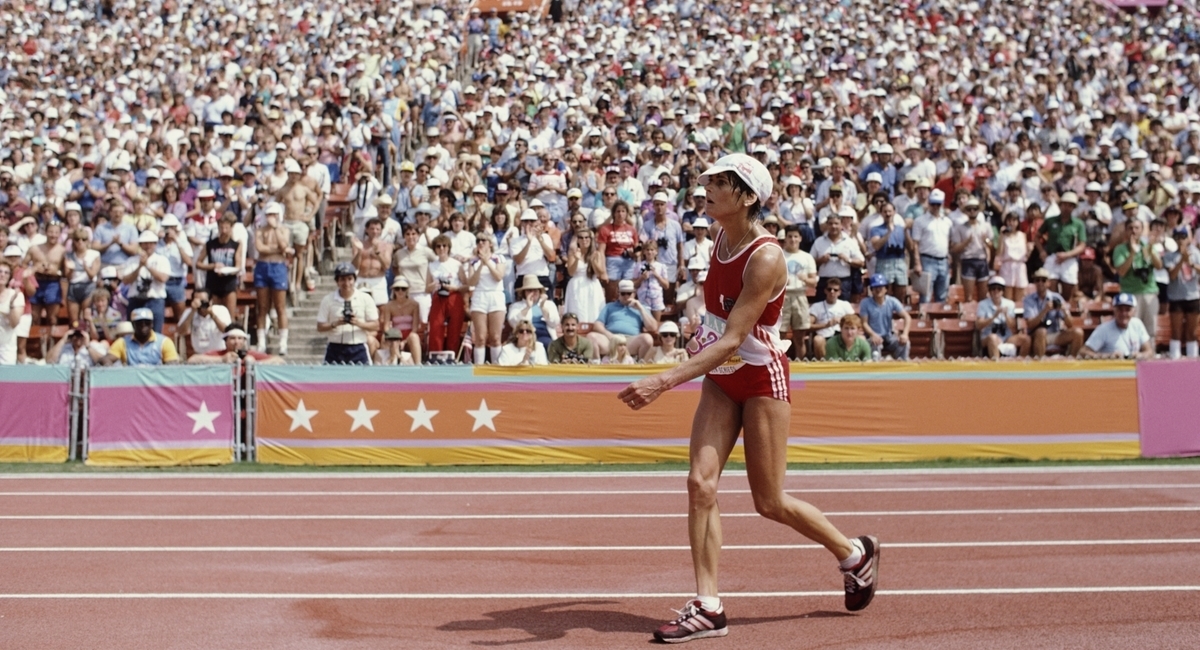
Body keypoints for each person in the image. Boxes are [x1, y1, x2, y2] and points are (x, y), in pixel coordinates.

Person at [618, 154, 877, 644]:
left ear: (748, 197)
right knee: (700, 483)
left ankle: (854, 554)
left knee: (769, 501)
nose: (709, 189)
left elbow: (735, 339)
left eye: (722, 183)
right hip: (722, 376)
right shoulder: (719, 236)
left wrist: (663, 380)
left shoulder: (766, 257)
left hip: (759, 379)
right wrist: (699, 334)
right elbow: (719, 323)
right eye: (709, 180)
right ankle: (708, 606)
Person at [316, 263, 380, 365]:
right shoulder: (328, 300)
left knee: (364, 375)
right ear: (337, 281)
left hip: (358, 347)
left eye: (350, 279)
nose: (346, 283)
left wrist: (358, 323)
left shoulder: (365, 298)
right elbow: (320, 327)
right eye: (342, 279)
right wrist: (336, 324)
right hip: (334, 347)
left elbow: (376, 325)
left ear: (354, 280)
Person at [462, 234, 508, 364]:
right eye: (478, 241)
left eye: (484, 240)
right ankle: (479, 367)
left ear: (490, 243)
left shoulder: (499, 258)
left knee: (495, 337)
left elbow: (498, 276)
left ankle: (496, 367)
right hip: (479, 296)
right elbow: (471, 282)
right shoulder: (473, 262)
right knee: (480, 337)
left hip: (495, 295)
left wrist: (487, 262)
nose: (481, 243)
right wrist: (481, 265)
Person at [253, 204, 293, 355]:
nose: (271, 217)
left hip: (278, 267)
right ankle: (261, 342)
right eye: (269, 214)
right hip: (263, 266)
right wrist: (279, 250)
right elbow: (260, 248)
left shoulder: (284, 230)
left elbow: (284, 245)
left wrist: (276, 229)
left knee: (280, 307)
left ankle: (283, 343)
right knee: (262, 307)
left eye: (274, 214)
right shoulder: (260, 230)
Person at [587, 279, 658, 360]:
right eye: (623, 293)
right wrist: (610, 336)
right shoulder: (609, 306)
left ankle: (640, 365)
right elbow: (597, 325)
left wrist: (640, 309)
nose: (626, 296)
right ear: (618, 293)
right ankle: (596, 363)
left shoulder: (641, 308)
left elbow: (653, 327)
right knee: (591, 337)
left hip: (630, 340)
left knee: (647, 339)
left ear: (634, 293)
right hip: (611, 339)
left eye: (629, 293)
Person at [1023, 268, 1084, 358]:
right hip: (1036, 335)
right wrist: (1044, 311)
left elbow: (1070, 325)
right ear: (1034, 282)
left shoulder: (1056, 297)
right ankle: (1040, 363)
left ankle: (1071, 362)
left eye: (1043, 280)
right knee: (1041, 331)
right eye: (1037, 280)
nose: (1040, 283)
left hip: (1055, 334)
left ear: (1048, 283)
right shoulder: (1029, 299)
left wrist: (1064, 311)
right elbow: (1030, 324)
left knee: (1078, 333)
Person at [120, 230, 171, 334]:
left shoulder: (162, 260)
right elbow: (125, 280)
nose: (148, 246)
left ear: (155, 244)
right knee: (133, 332)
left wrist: (147, 265)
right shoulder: (131, 261)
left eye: (151, 243)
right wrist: (139, 266)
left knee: (156, 332)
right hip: (135, 300)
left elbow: (163, 278)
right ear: (140, 245)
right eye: (145, 243)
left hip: (155, 300)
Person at [196, 212, 245, 320]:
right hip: (213, 283)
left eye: (226, 228)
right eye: (222, 228)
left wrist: (226, 271)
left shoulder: (235, 245)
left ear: (231, 228)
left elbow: (238, 266)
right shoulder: (210, 244)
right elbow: (198, 263)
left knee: (229, 317)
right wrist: (213, 266)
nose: (224, 231)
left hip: (229, 283)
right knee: (213, 316)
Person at [780, 225, 818, 359]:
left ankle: (800, 363)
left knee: (800, 336)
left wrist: (805, 279)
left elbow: (814, 281)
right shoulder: (779, 254)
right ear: (785, 238)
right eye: (790, 236)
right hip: (783, 296)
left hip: (800, 295)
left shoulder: (807, 257)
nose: (793, 239)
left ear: (800, 238)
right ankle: (779, 362)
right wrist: (781, 281)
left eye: (796, 236)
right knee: (780, 334)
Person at [1081, 293, 1154, 359]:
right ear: (1114, 311)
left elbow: (1149, 351)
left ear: (1134, 311)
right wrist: (1107, 356)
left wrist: (1140, 355)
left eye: (1127, 310)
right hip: (1111, 368)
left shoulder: (1137, 324)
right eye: (1120, 310)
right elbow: (1083, 352)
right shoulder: (1104, 329)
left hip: (1133, 367)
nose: (1123, 313)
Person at [427, 234, 467, 356]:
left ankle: (452, 356)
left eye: (444, 246)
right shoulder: (431, 265)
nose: (441, 248)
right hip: (438, 297)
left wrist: (455, 288)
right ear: (435, 249)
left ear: (448, 247)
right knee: (435, 327)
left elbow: (466, 285)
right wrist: (433, 285)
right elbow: (426, 288)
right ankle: (435, 356)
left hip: (454, 295)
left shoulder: (456, 264)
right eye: (438, 246)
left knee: (454, 329)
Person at [1163, 228, 1200, 358]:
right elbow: (1172, 275)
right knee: (1176, 331)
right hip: (1176, 297)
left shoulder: (1196, 254)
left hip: (1193, 296)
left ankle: (1192, 358)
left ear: (1188, 239)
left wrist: (1191, 264)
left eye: (1183, 237)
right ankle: (1175, 358)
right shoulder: (1169, 256)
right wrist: (1181, 261)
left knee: (1192, 332)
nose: (1180, 240)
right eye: (1177, 237)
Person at [100, 308, 180, 366]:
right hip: (132, 381)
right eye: (139, 323)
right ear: (133, 324)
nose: (143, 325)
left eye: (147, 322)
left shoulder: (164, 342)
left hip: (156, 381)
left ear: (152, 324)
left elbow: (172, 364)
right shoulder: (123, 342)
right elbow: (106, 359)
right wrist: (108, 365)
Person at [859, 274, 912, 360]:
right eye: (875, 287)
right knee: (874, 346)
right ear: (871, 289)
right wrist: (873, 335)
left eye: (881, 287)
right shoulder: (865, 303)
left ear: (886, 289)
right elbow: (864, 323)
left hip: (889, 336)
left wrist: (905, 334)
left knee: (905, 343)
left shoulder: (892, 301)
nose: (878, 290)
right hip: (873, 336)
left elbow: (907, 317)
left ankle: (902, 363)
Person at [976, 277, 1032, 360]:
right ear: (989, 290)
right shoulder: (983, 304)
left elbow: (1013, 327)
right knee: (992, 338)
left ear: (1003, 291)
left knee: (1026, 339)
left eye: (999, 289)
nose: (996, 291)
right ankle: (997, 365)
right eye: (993, 288)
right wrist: (994, 316)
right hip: (989, 336)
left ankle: (1020, 364)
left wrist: (1006, 315)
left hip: (1006, 337)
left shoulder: (1010, 304)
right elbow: (979, 325)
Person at [562, 226, 606, 324]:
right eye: (581, 237)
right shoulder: (573, 254)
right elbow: (571, 272)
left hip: (592, 284)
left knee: (593, 309)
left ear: (590, 239)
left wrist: (593, 262)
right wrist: (577, 259)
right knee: (578, 308)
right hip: (577, 284)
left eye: (586, 237)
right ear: (578, 240)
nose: (584, 240)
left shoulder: (596, 254)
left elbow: (600, 273)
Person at [507, 274, 561, 350]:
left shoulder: (549, 304)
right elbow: (513, 323)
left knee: (547, 344)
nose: (533, 293)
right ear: (524, 292)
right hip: (524, 335)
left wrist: (543, 307)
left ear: (540, 292)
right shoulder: (516, 306)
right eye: (529, 290)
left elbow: (554, 323)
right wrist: (527, 307)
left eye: (535, 290)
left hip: (543, 335)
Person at [377, 278, 423, 365]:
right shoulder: (389, 305)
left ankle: (418, 364)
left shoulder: (414, 304)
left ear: (407, 290)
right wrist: (392, 338)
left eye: (403, 288)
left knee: (414, 337)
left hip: (409, 334)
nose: (400, 291)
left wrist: (404, 341)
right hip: (395, 334)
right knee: (384, 337)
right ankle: (386, 363)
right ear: (394, 290)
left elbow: (415, 328)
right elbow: (386, 326)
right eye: (397, 289)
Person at [807, 277, 855, 359]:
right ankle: (824, 364)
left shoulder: (845, 305)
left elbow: (855, 322)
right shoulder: (816, 306)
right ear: (825, 291)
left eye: (835, 290)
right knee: (818, 340)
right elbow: (808, 325)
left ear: (839, 292)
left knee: (858, 337)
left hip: (842, 336)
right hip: (824, 337)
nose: (832, 292)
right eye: (829, 289)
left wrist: (843, 321)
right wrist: (826, 325)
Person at [177, 289, 232, 356]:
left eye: (203, 301)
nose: (201, 304)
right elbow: (181, 332)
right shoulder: (189, 312)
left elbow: (227, 331)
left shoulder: (221, 310)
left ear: (210, 301)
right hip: (199, 354)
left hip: (219, 353)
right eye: (198, 301)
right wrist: (192, 312)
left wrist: (212, 315)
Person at [188, 327, 282, 365]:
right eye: (232, 338)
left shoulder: (250, 354)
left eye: (240, 338)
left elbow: (279, 360)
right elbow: (192, 360)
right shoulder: (220, 353)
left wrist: (256, 363)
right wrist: (221, 359)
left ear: (244, 341)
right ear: (226, 341)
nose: (236, 342)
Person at [0, 260, 24, 365]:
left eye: (6, 272)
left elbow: (14, 323)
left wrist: (11, 304)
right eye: (0, 271)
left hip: (6, 348)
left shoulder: (16, 295)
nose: (2, 275)